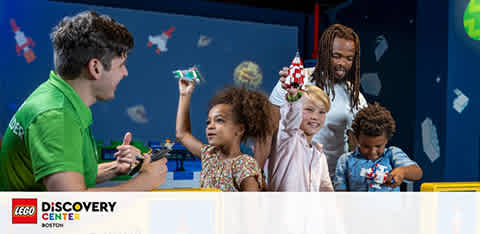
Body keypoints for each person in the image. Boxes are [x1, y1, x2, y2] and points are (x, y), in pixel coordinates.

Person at [0, 11, 167, 191]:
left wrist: (115, 168)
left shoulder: (56, 99)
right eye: (121, 65)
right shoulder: (56, 116)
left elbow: (68, 176)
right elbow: (71, 203)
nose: (125, 73)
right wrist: (144, 183)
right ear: (95, 68)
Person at [267, 24, 368, 179]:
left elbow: (357, 145)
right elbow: (268, 131)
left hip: (330, 182)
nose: (343, 63)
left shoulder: (355, 96)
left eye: (349, 58)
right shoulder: (295, 80)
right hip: (288, 178)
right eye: (336, 56)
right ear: (324, 53)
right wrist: (262, 173)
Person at [175, 78, 275, 192]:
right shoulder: (210, 155)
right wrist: (184, 94)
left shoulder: (244, 164)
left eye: (219, 120)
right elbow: (182, 134)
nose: (210, 126)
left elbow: (251, 206)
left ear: (240, 129)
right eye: (208, 122)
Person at [334, 103, 423, 191]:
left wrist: (402, 172)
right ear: (357, 139)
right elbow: (340, 192)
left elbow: (418, 173)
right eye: (366, 146)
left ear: (386, 140)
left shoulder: (392, 154)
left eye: (378, 146)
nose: (373, 152)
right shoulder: (345, 160)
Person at [268, 83, 333, 191]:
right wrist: (294, 99)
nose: (315, 117)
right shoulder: (287, 138)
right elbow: (289, 120)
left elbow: (325, 190)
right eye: (309, 109)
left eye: (321, 112)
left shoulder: (319, 154)